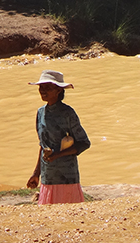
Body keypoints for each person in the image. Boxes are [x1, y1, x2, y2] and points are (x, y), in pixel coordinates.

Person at [26, 70, 91, 205]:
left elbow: (83, 143)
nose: (43, 91)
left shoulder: (68, 113)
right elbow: (42, 145)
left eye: (48, 88)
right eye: (41, 87)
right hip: (47, 176)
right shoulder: (40, 112)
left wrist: (57, 155)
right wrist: (36, 174)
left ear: (58, 91)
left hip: (67, 175)